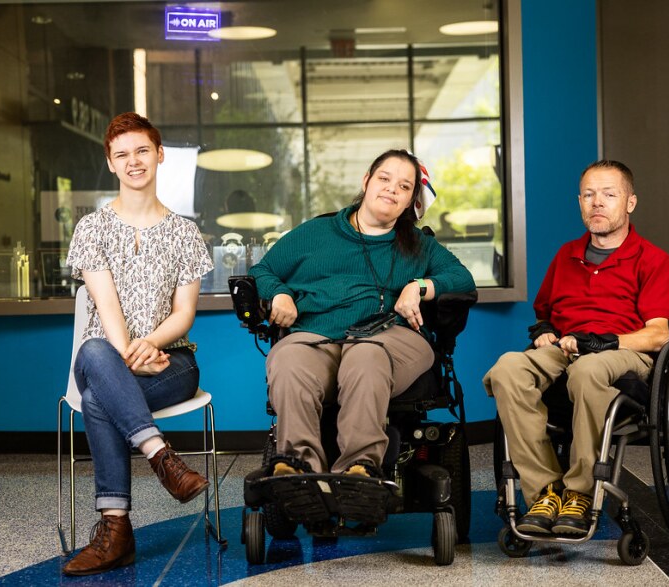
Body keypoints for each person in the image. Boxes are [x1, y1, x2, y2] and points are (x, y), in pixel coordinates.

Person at [249, 149, 476, 477]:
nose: (391, 189)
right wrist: (279, 292)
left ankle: (361, 468)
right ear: (367, 181)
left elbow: (462, 278)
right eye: (384, 179)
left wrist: (420, 286)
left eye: (403, 186)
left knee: (365, 353)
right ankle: (297, 468)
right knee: (288, 359)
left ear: (412, 198)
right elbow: (262, 270)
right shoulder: (316, 233)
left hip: (391, 338)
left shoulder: (417, 244)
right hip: (318, 335)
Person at [483, 160, 669, 535]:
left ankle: (580, 492)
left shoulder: (654, 260)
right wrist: (544, 330)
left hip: (624, 350)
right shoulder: (566, 255)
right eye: (589, 195)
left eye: (609, 194)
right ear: (580, 202)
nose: (597, 203)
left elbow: (659, 335)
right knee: (507, 368)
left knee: (588, 370)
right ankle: (546, 491)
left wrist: (606, 342)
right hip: (567, 347)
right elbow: (545, 314)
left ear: (630, 203)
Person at [62, 112, 214, 575]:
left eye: (142, 151)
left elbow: (184, 314)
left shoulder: (185, 232)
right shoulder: (92, 228)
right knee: (93, 351)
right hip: (107, 356)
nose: (133, 162)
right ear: (110, 163)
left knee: (96, 400)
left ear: (160, 154)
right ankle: (161, 456)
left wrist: (149, 346)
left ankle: (115, 533)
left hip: (171, 362)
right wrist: (131, 354)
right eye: (122, 154)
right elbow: (105, 309)